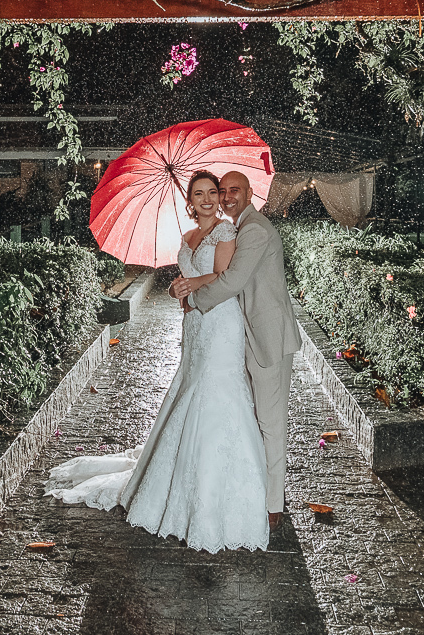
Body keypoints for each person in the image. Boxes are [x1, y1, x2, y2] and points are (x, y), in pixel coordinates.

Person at [43, 170, 270, 553]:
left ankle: (225, 498)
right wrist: (176, 287)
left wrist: (190, 285)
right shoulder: (186, 237)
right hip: (195, 325)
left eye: (213, 192)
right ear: (190, 200)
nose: (209, 199)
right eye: (199, 194)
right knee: (189, 388)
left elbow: (223, 276)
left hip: (221, 324)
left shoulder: (226, 233)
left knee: (218, 395)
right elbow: (188, 278)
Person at [169, 170, 302, 531]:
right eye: (221, 190)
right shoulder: (239, 227)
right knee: (249, 415)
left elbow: (232, 280)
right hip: (241, 333)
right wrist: (184, 287)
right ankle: (252, 486)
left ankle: (273, 505)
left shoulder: (254, 229)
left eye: (233, 190)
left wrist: (193, 297)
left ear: (250, 192)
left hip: (269, 339)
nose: (226, 197)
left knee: (271, 423)